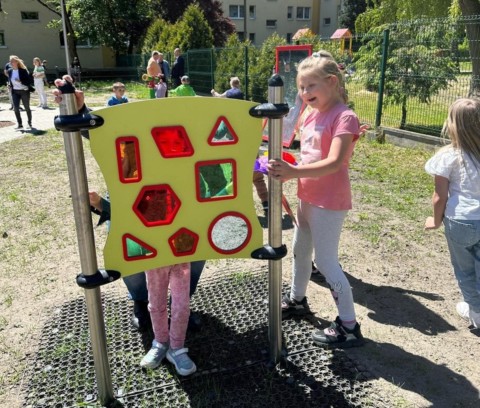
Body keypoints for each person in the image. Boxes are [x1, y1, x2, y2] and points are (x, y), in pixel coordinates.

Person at [267, 56, 364, 348]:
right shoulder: (310, 114)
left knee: (325, 261)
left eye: (311, 85)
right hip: (307, 197)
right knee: (300, 251)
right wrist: (287, 167)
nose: (305, 92)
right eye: (301, 86)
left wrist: (294, 172)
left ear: (332, 82)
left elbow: (334, 162)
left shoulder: (344, 117)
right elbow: (309, 155)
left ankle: (349, 325)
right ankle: (297, 300)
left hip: (329, 202)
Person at [424, 98, 480, 330]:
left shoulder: (447, 156)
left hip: (460, 222)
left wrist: (435, 220)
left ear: (452, 124)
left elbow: (440, 196)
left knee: (465, 270)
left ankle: (476, 313)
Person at [6, 55, 33, 130]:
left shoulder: (23, 70)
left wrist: (20, 81)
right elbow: (10, 80)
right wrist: (9, 85)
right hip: (15, 91)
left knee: (27, 108)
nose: (11, 63)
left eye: (12, 61)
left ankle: (29, 123)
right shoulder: (10, 71)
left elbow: (29, 81)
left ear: (17, 62)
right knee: (16, 108)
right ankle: (20, 124)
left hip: (24, 91)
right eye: (10, 61)